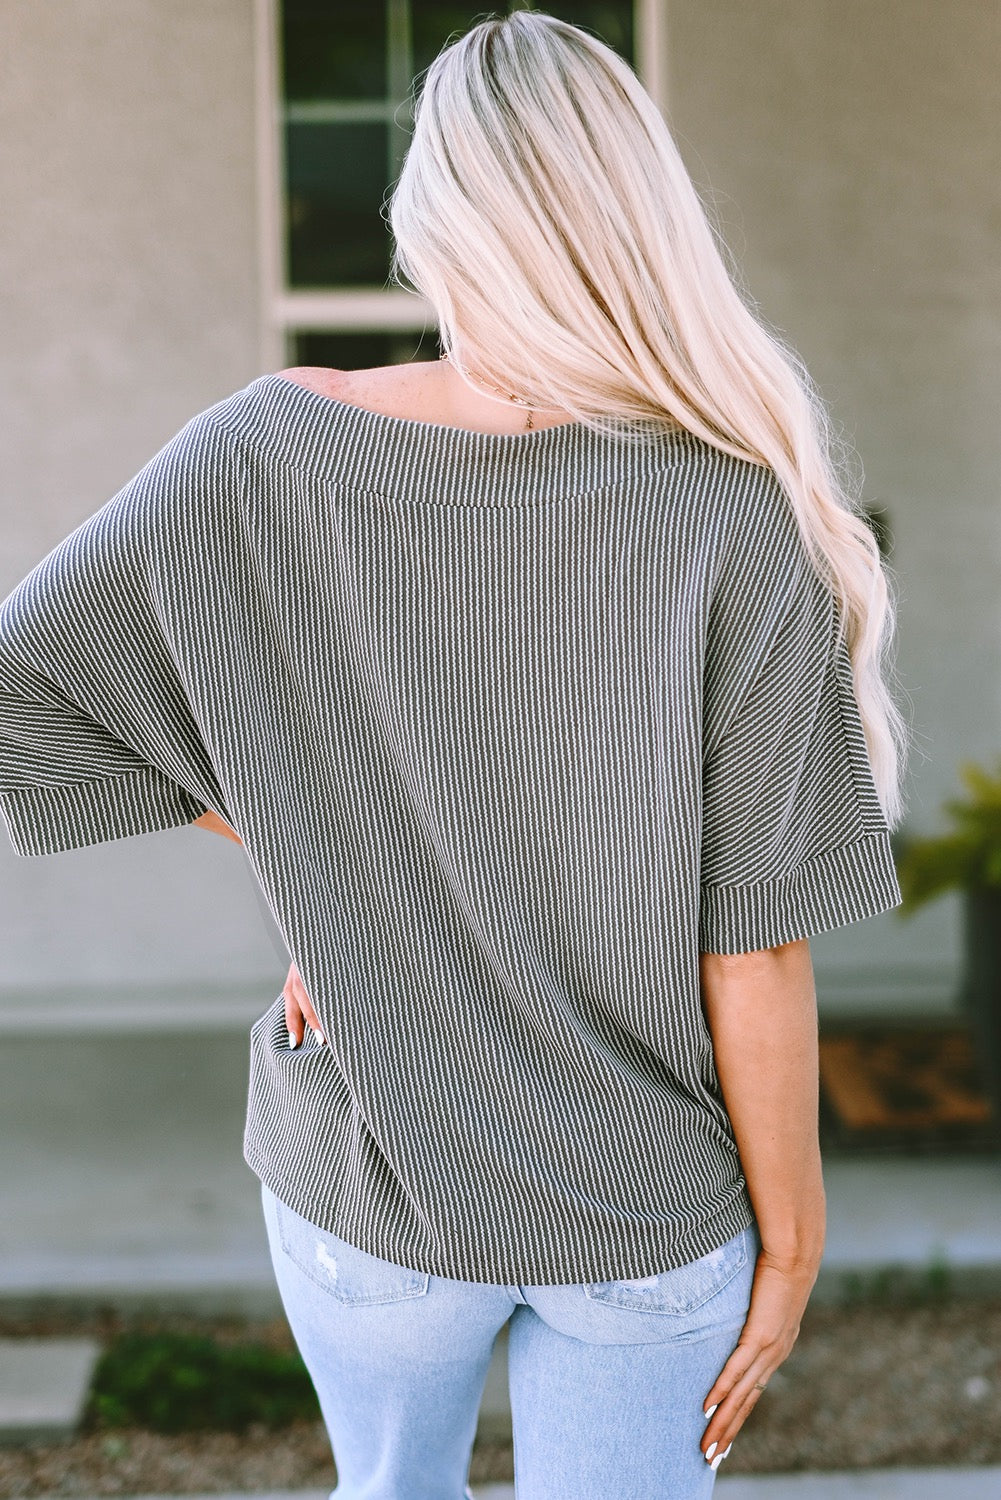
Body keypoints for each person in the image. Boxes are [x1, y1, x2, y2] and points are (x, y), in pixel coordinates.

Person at [0, 11, 908, 1500]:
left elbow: (19, 687)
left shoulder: (260, 451)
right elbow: (751, 952)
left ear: (432, 220)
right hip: (644, 1212)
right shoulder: (734, 506)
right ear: (635, 218)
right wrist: (794, 1244)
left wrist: (307, 849)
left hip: (373, 1185)